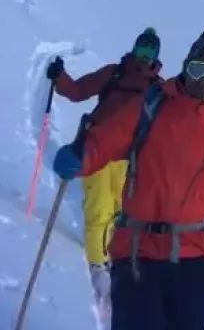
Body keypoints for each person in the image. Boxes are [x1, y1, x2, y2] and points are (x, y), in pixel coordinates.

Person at [53, 24, 204, 330]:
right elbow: (108, 139)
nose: (203, 82)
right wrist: (82, 157)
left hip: (192, 258)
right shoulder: (153, 104)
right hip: (137, 252)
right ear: (188, 63)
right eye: (199, 69)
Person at [46, 28, 162, 301]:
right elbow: (78, 90)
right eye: (141, 50)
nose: (143, 57)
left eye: (149, 52)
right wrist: (59, 78)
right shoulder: (115, 73)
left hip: (129, 159)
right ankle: (97, 265)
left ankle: (108, 256)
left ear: (156, 56)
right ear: (134, 48)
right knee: (99, 208)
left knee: (120, 211)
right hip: (97, 149)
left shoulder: (158, 90)